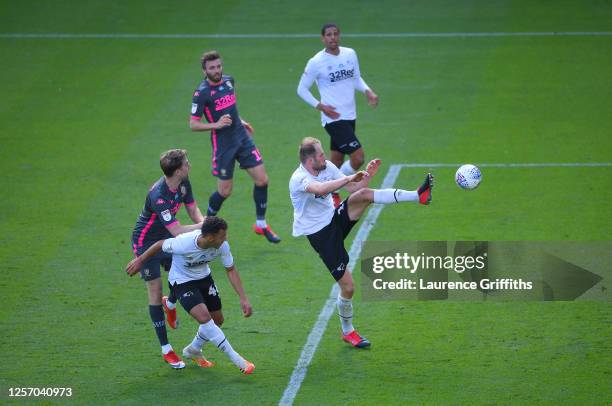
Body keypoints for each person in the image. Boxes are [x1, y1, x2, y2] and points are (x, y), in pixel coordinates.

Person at [289, 137, 433, 348]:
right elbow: (320, 189)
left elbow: (353, 188)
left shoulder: (326, 166)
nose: (325, 157)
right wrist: (348, 178)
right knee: (348, 288)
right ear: (310, 160)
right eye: (320, 155)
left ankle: (417, 195)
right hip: (320, 236)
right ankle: (348, 331)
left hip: (333, 219)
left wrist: (366, 176)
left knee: (364, 194)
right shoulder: (298, 179)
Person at [126, 216, 255, 375]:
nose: (225, 238)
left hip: (204, 279)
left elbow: (231, 269)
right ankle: (237, 359)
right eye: (222, 236)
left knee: (217, 320)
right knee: (204, 318)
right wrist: (140, 261)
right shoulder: (183, 243)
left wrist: (243, 298)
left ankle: (193, 349)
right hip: (182, 282)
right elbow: (160, 245)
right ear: (210, 237)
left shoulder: (222, 246)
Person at [189, 50, 281, 243]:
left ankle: (261, 224)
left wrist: (241, 120)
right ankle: (205, 226)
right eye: (212, 68)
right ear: (204, 70)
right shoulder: (201, 93)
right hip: (224, 146)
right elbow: (193, 124)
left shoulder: (229, 81)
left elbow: (231, 107)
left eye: (218, 66)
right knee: (225, 191)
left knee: (262, 180)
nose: (217, 70)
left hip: (242, 138)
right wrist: (216, 124)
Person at [131, 149, 205, 369]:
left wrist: (202, 224)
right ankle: (166, 350)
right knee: (155, 289)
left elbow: (193, 210)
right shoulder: (158, 196)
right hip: (146, 243)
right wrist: (204, 226)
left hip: (166, 236)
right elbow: (177, 230)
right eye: (186, 163)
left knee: (183, 271)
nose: (189, 165)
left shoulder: (183, 182)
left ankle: (170, 302)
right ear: (177, 170)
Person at [297, 23, 379, 207]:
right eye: (328, 35)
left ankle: (329, 194)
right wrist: (321, 106)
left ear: (339, 35)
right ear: (323, 38)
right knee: (358, 157)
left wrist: (368, 91)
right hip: (333, 118)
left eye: (335, 34)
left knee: (337, 160)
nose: (332, 37)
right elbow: (301, 89)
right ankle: (336, 187)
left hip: (350, 116)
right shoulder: (316, 62)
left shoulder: (350, 54)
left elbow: (356, 78)